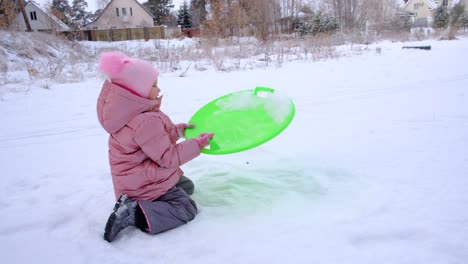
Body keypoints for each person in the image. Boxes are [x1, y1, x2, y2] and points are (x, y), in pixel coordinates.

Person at [96, 51, 214, 242]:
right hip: (144, 186)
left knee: (185, 186)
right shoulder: (145, 120)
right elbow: (168, 158)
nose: (158, 90)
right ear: (136, 90)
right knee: (186, 207)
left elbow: (151, 142)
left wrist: (177, 131)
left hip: (136, 180)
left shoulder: (128, 114)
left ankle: (139, 202)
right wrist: (197, 145)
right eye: (153, 85)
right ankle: (135, 212)